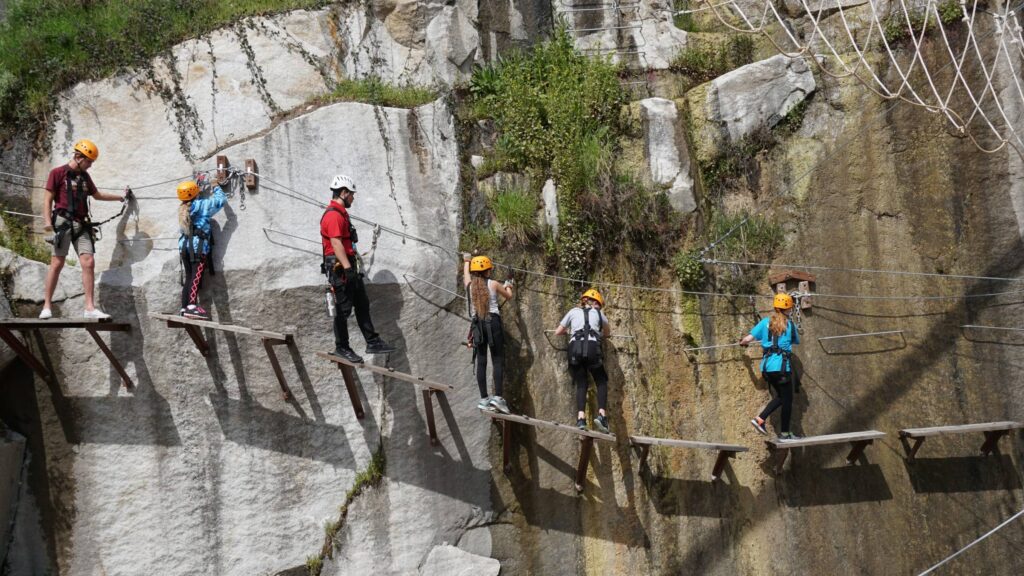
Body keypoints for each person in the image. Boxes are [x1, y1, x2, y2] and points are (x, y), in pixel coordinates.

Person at [40, 139, 128, 319]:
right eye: (89, 162)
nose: (90, 166)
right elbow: (47, 200)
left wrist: (121, 197)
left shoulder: (85, 177)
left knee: (88, 262)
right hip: (62, 223)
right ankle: (46, 306)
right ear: (79, 157)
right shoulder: (57, 173)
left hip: (81, 224)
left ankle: (89, 308)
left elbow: (97, 195)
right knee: (57, 263)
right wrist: (48, 224)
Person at [321, 174, 396, 363]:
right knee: (343, 309)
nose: (353, 198)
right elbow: (336, 243)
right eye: (351, 194)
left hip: (348, 266)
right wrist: (347, 270)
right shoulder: (333, 215)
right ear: (343, 193)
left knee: (362, 304)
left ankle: (372, 341)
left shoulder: (341, 214)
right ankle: (342, 347)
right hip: (340, 269)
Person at [740, 292, 801, 441]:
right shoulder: (790, 325)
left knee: (782, 397)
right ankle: (768, 424)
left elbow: (747, 339)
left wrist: (743, 342)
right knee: (786, 399)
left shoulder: (764, 322)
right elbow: (795, 341)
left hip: (767, 368)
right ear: (788, 309)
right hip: (781, 368)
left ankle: (769, 424)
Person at [554, 288, 612, 433]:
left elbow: (557, 332)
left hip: (575, 348)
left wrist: (571, 330)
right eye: (599, 304)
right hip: (592, 348)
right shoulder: (600, 314)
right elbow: (607, 333)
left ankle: (581, 419)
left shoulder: (573, 312)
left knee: (581, 383)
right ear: (595, 303)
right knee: (601, 380)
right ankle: (602, 416)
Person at [463, 253, 514, 414]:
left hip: (477, 325)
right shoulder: (493, 284)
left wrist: (466, 261)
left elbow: (466, 274)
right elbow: (509, 296)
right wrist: (509, 284)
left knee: (482, 361)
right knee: (498, 360)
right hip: (492, 323)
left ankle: (484, 399)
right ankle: (498, 398)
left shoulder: (469, 285)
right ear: (487, 271)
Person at [177, 175, 226, 320]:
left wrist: (197, 186)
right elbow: (220, 201)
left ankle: (184, 307)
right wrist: (216, 186)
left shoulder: (183, 208)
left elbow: (193, 199)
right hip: (198, 248)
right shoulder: (203, 205)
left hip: (185, 247)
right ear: (195, 193)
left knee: (189, 277)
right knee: (196, 278)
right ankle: (191, 307)